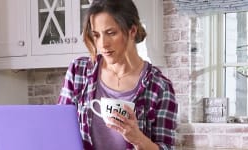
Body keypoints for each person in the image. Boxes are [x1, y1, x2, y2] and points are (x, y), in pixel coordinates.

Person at [58, 0, 177, 149]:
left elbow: (166, 146)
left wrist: (138, 139)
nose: (103, 44)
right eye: (96, 35)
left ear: (132, 31)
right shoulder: (78, 71)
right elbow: (60, 131)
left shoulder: (160, 87)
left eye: (111, 33)